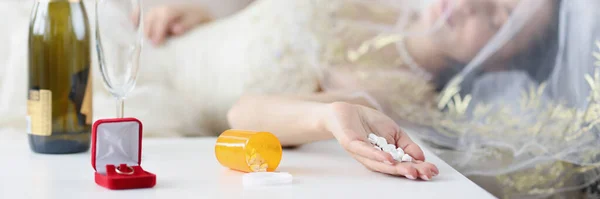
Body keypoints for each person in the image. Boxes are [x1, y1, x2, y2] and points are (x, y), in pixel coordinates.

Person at [120, 0, 598, 197]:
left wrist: (331, 116)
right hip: (146, 41)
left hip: (147, 104)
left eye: (497, 19)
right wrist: (207, 20)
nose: (473, 3)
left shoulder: (397, 91)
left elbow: (242, 113)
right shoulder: (377, 7)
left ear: (495, 63)